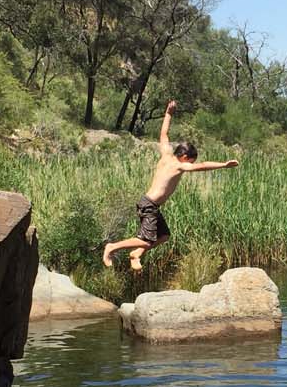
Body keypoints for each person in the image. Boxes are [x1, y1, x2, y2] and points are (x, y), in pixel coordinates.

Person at [102, 100, 239, 271]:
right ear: (184, 157)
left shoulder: (166, 154)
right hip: (149, 205)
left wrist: (168, 113)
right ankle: (112, 247)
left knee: (164, 235)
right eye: (191, 160)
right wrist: (223, 165)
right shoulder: (179, 165)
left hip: (150, 204)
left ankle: (136, 253)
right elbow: (202, 166)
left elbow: (164, 134)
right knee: (146, 239)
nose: (191, 163)